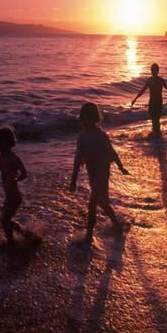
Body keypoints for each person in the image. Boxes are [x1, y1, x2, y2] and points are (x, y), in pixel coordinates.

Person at [70, 102, 129, 243]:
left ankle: (89, 236)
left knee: (92, 205)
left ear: (94, 118)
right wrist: (73, 180)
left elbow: (112, 153)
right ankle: (117, 225)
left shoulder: (101, 136)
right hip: (93, 174)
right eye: (82, 118)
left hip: (102, 174)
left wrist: (121, 167)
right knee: (102, 203)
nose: (83, 121)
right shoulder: (82, 137)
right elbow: (77, 159)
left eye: (86, 118)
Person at [0, 126, 27, 244]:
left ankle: (14, 239)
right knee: (4, 220)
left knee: (5, 220)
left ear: (10, 143)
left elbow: (24, 174)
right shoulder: (0, 158)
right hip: (8, 196)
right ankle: (22, 234)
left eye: (2, 144)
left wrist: (16, 179)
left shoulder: (14, 158)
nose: (0, 147)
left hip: (15, 196)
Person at [130, 63, 167, 137]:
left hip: (155, 101)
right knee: (155, 119)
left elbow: (143, 90)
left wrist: (135, 99)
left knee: (155, 119)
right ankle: (157, 134)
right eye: (153, 70)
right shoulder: (158, 80)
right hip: (156, 101)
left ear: (153, 71)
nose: (153, 71)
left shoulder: (151, 80)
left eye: (154, 70)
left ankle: (157, 135)